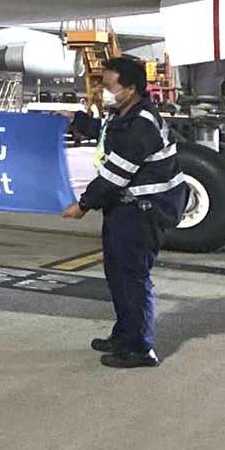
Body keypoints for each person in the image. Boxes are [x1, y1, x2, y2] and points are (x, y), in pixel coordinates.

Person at [62, 56, 187, 368]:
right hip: (126, 208)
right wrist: (75, 120)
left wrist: (84, 204)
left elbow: (116, 175)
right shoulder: (126, 114)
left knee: (132, 277)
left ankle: (139, 349)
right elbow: (107, 134)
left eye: (108, 86)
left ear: (129, 88)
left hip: (143, 211)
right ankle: (124, 336)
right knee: (117, 275)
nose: (103, 91)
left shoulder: (141, 124)